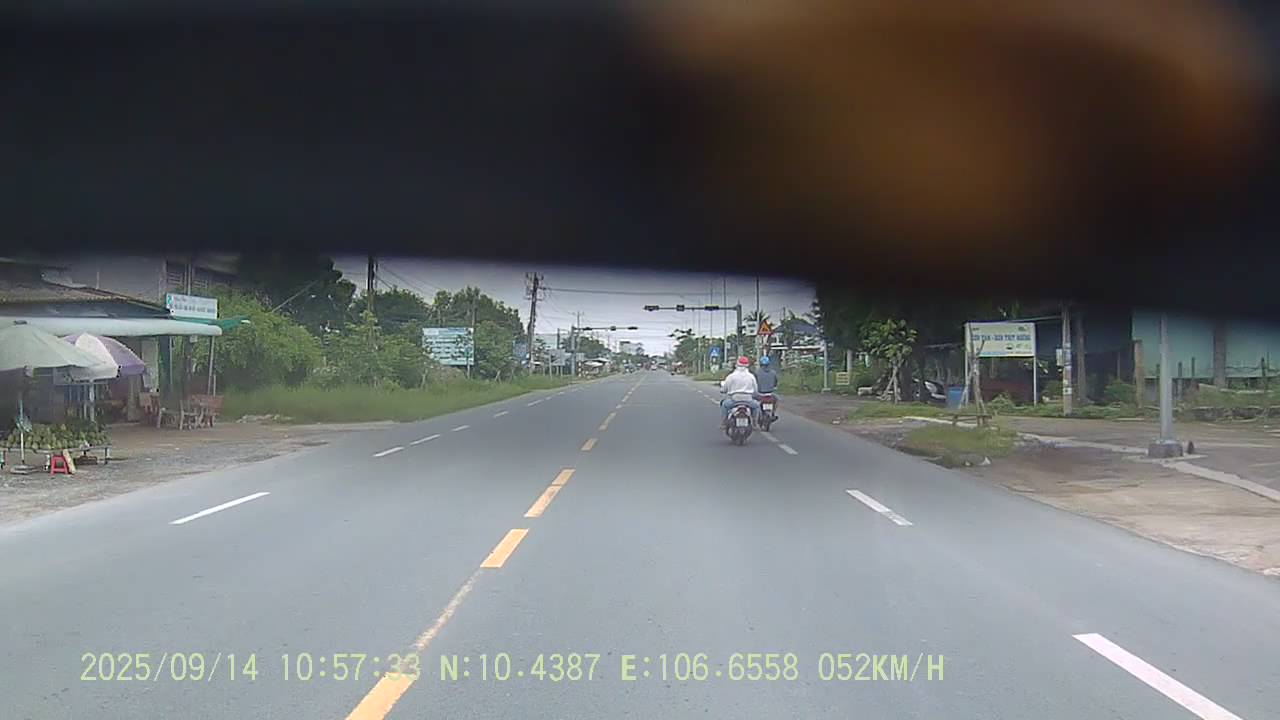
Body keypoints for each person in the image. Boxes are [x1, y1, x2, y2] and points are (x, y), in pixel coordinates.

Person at [720, 355, 759, 426]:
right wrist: (755, 395)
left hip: (734, 400)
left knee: (724, 405)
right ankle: (755, 422)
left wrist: (723, 390)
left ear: (737, 364)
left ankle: (724, 422)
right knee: (756, 406)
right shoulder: (751, 376)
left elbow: (724, 388)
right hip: (748, 400)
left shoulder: (731, 376)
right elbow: (755, 390)